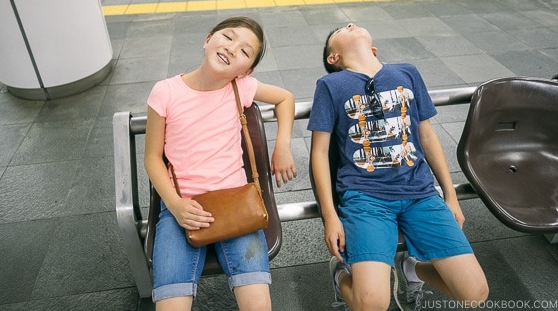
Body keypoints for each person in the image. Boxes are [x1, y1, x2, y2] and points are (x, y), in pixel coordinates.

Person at [308, 23, 488, 311]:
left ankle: (412, 269)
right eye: (342, 29)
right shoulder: (330, 85)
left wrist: (450, 195)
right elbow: (319, 152)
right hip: (365, 197)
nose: (351, 23)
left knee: (475, 294)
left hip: (421, 194)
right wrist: (330, 215)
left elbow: (427, 136)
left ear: (374, 49)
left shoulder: (407, 73)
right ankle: (340, 273)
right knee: (372, 305)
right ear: (334, 58)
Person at [144, 16, 297, 311]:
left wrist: (283, 146)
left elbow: (285, 98)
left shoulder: (241, 87)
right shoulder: (166, 91)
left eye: (244, 51)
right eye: (228, 37)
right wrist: (175, 205)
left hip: (236, 203)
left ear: (246, 70)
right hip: (182, 206)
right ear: (207, 39)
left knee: (258, 306)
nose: (231, 48)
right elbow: (152, 158)